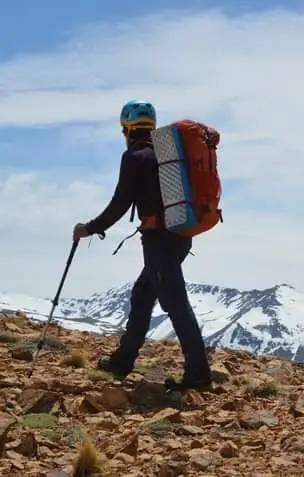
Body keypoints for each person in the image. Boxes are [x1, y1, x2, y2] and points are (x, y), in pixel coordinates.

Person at [73, 100, 212, 391]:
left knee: (175, 303)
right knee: (143, 295)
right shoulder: (167, 154)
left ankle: (198, 375)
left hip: (158, 240)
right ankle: (122, 361)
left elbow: (120, 203)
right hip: (181, 235)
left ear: (126, 128)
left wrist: (89, 228)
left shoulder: (135, 157)